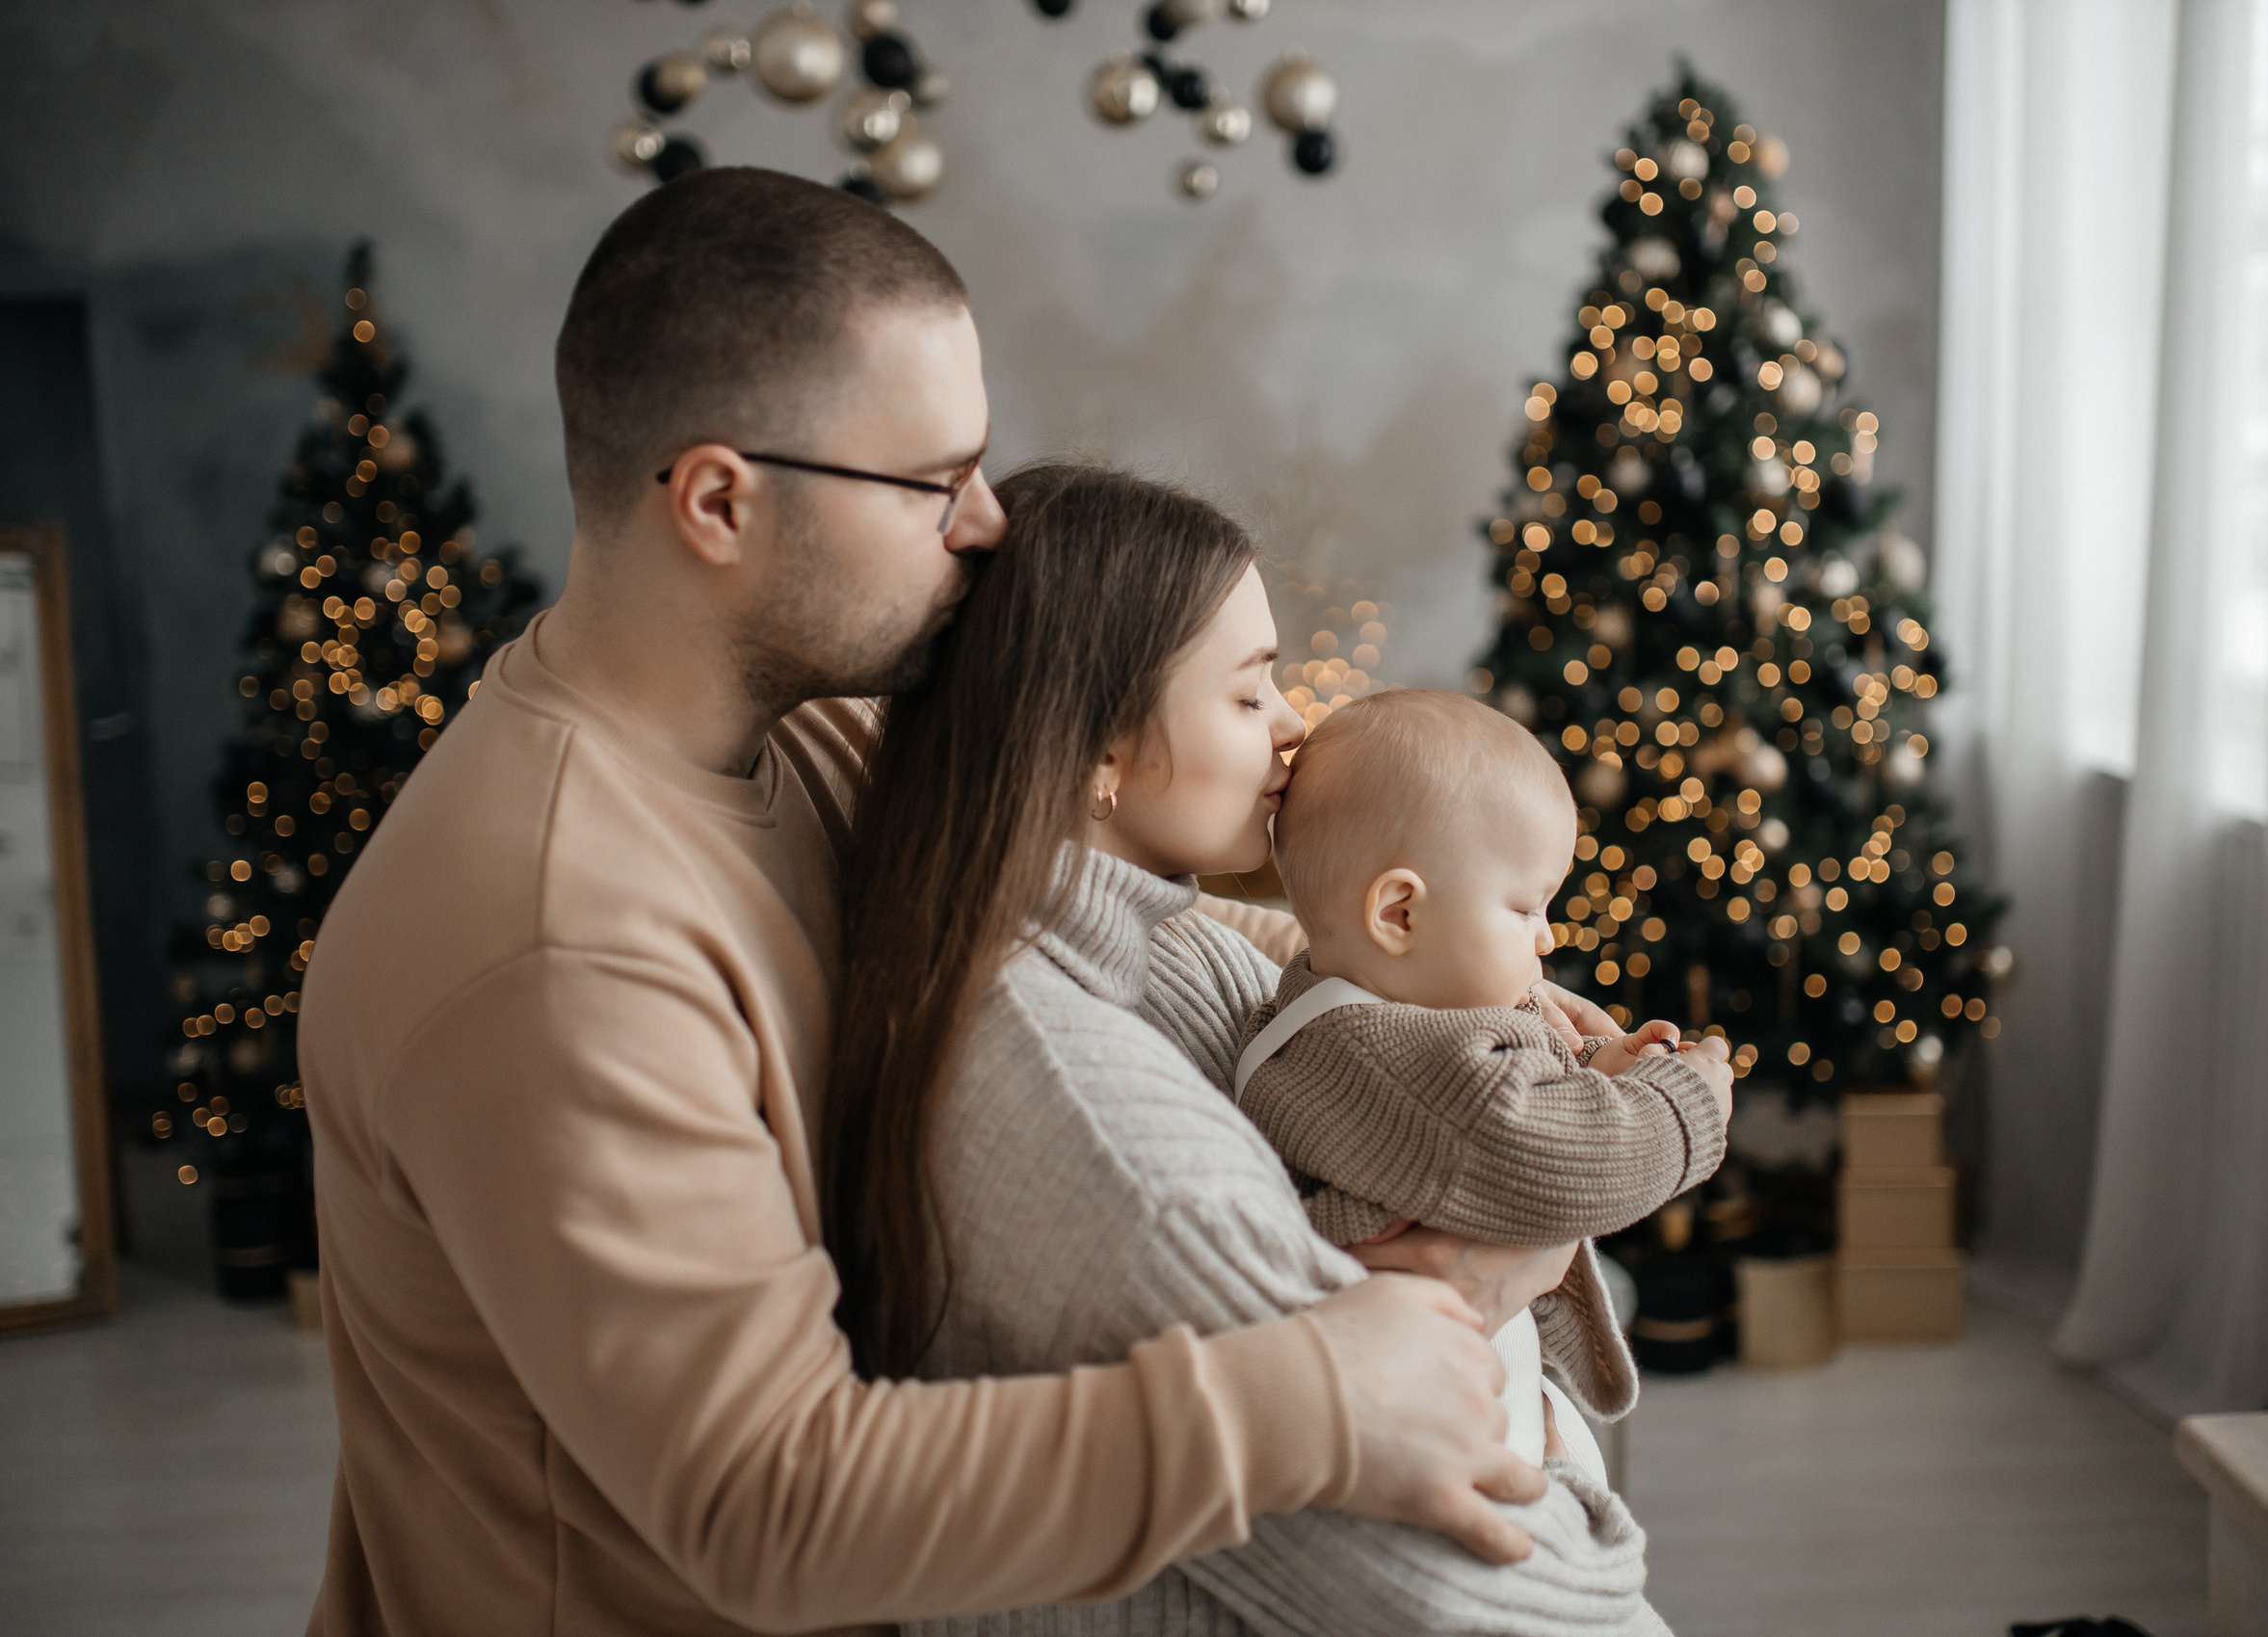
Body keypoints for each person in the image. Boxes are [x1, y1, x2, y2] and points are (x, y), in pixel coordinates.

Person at [298, 168, 1545, 1637]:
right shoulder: (556, 938)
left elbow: (1150, 929)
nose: (987, 523)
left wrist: (1475, 1034)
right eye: (929, 479)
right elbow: (772, 1501)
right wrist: (1313, 1391)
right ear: (717, 500)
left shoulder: (808, 735)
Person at [830, 462, 1733, 1636]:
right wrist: (1562, 1458)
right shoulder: (1102, 1130)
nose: (1297, 723)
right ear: (1100, 752)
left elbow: (1352, 990)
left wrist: (1529, 1012)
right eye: (1251, 694)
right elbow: (1497, 1600)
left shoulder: (1147, 947)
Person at [1235, 687, 1733, 1483]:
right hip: (1451, 1433)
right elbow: (1570, 1156)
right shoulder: (1392, 1055)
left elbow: (1478, 1115)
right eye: (1526, 905)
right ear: (1399, 913)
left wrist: (1584, 1069)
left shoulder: (1326, 1004)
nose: (1547, 935)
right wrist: (1690, 1099)